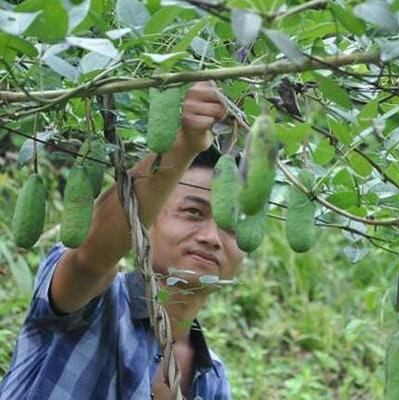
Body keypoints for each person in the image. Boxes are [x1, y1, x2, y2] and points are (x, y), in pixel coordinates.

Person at [0, 81, 246, 400]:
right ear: (148, 221)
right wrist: (183, 143)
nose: (213, 237)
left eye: (231, 224)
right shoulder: (95, 304)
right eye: (193, 212)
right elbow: (90, 258)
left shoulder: (212, 379)